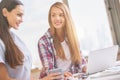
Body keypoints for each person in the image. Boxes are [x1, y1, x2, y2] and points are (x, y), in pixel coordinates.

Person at [38, 2, 87, 80]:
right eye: (53, 15)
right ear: (50, 18)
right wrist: (62, 74)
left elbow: (81, 61)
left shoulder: (72, 37)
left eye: (61, 15)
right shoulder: (43, 42)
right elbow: (49, 71)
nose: (57, 18)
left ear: (66, 17)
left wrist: (85, 68)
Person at [0, 0, 32, 80]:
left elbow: (27, 72)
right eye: (19, 15)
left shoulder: (15, 39)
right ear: (5, 12)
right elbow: (4, 78)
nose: (22, 20)